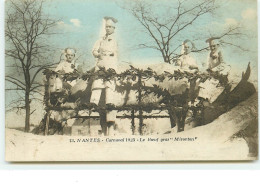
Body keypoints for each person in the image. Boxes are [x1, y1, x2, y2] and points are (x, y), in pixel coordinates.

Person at [90, 16, 119, 136]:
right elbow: (94, 50)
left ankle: (109, 102)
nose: (108, 28)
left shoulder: (115, 40)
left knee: (109, 85)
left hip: (111, 64)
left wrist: (111, 54)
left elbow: (116, 52)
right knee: (97, 82)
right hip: (101, 63)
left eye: (110, 27)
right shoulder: (100, 40)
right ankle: (94, 101)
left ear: (114, 28)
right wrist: (98, 54)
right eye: (106, 26)